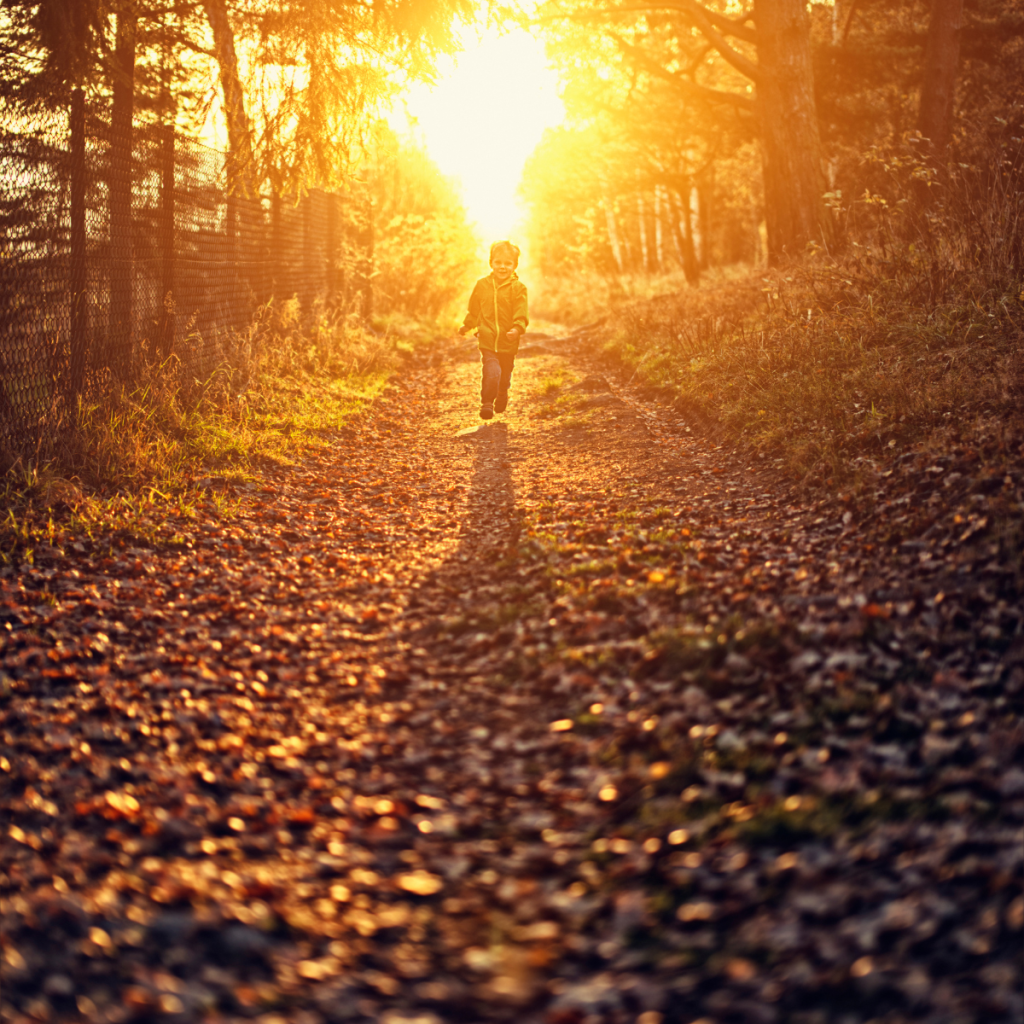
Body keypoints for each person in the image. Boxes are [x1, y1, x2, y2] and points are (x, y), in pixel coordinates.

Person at [458, 240, 529, 420]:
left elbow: (521, 312)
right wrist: (468, 325)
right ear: (491, 263)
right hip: (487, 337)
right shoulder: (482, 285)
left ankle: (503, 391)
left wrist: (517, 328)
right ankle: (487, 403)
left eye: (508, 263)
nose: (502, 267)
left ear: (514, 266)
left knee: (504, 375)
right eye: (498, 262)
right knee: (492, 370)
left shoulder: (518, 288)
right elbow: (474, 309)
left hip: (508, 340)